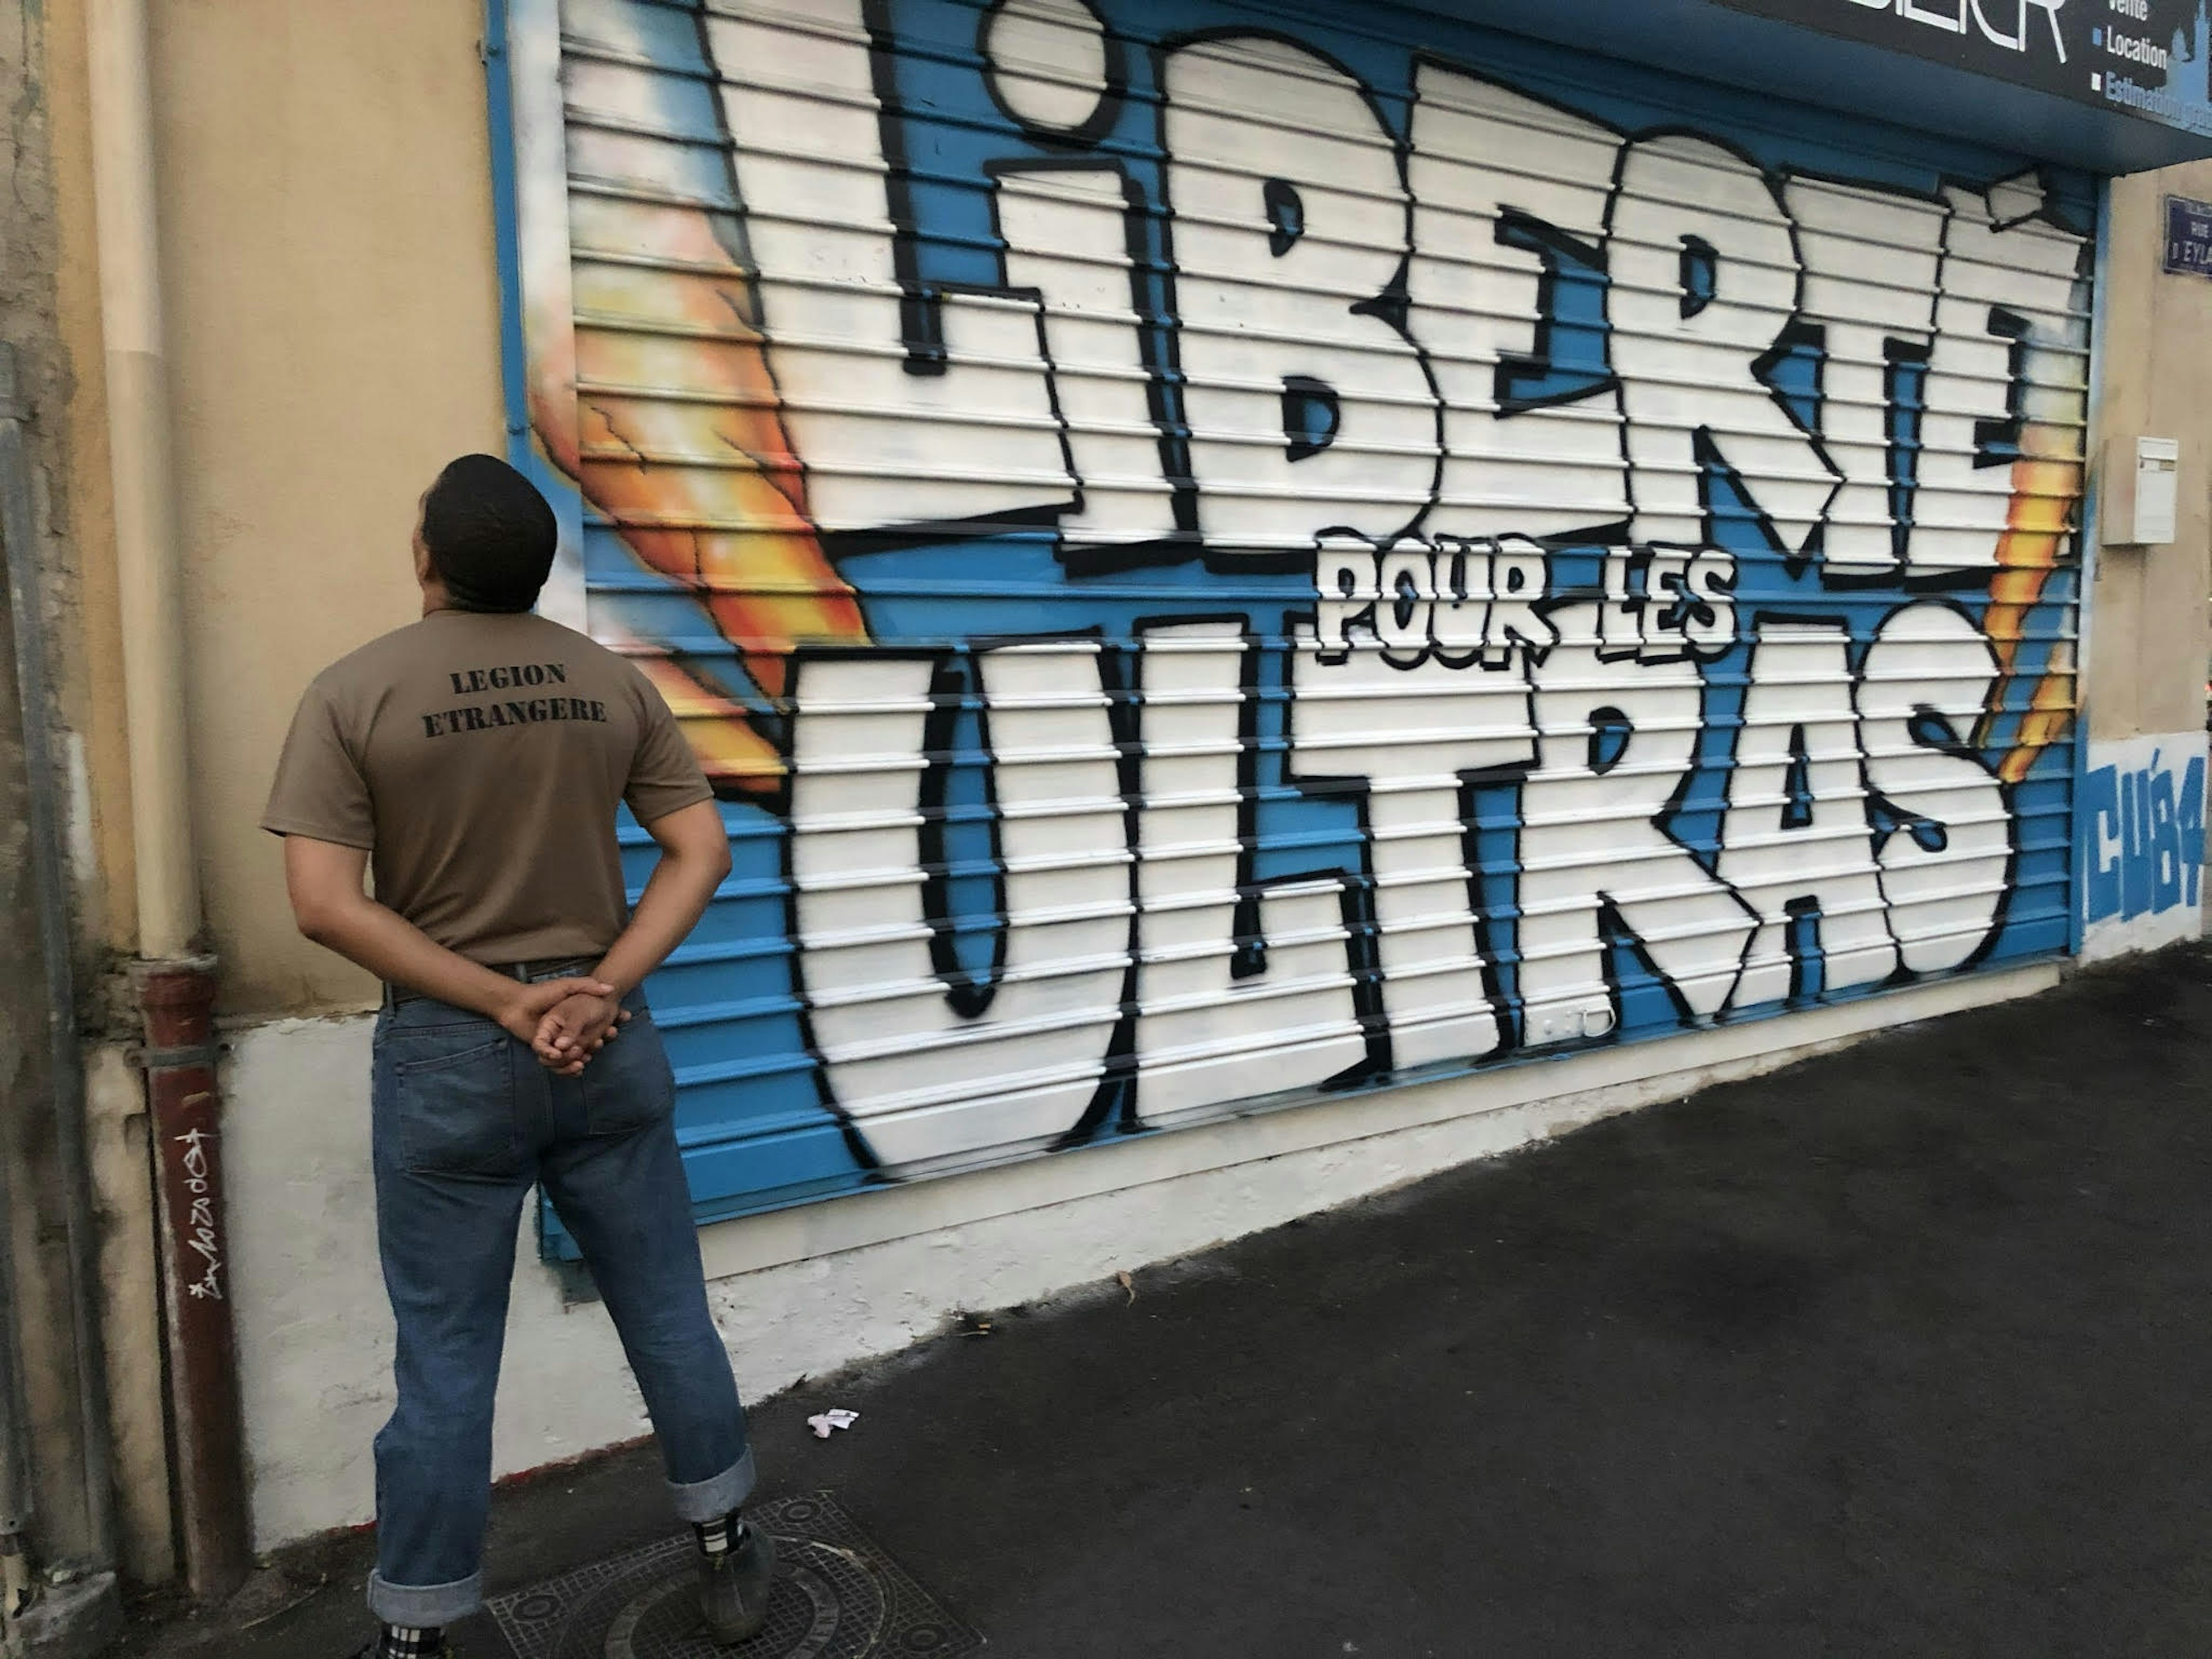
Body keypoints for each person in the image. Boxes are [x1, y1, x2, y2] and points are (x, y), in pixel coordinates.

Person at [263, 454, 773, 1657]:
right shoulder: (609, 683)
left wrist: (500, 1001)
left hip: (448, 1055)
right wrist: (601, 989)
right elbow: (701, 854)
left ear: (425, 558)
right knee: (668, 1315)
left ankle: (420, 1630)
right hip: (605, 1043)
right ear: (539, 568)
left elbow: (324, 906)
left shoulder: (355, 692)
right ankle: (727, 1546)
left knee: (445, 1361)